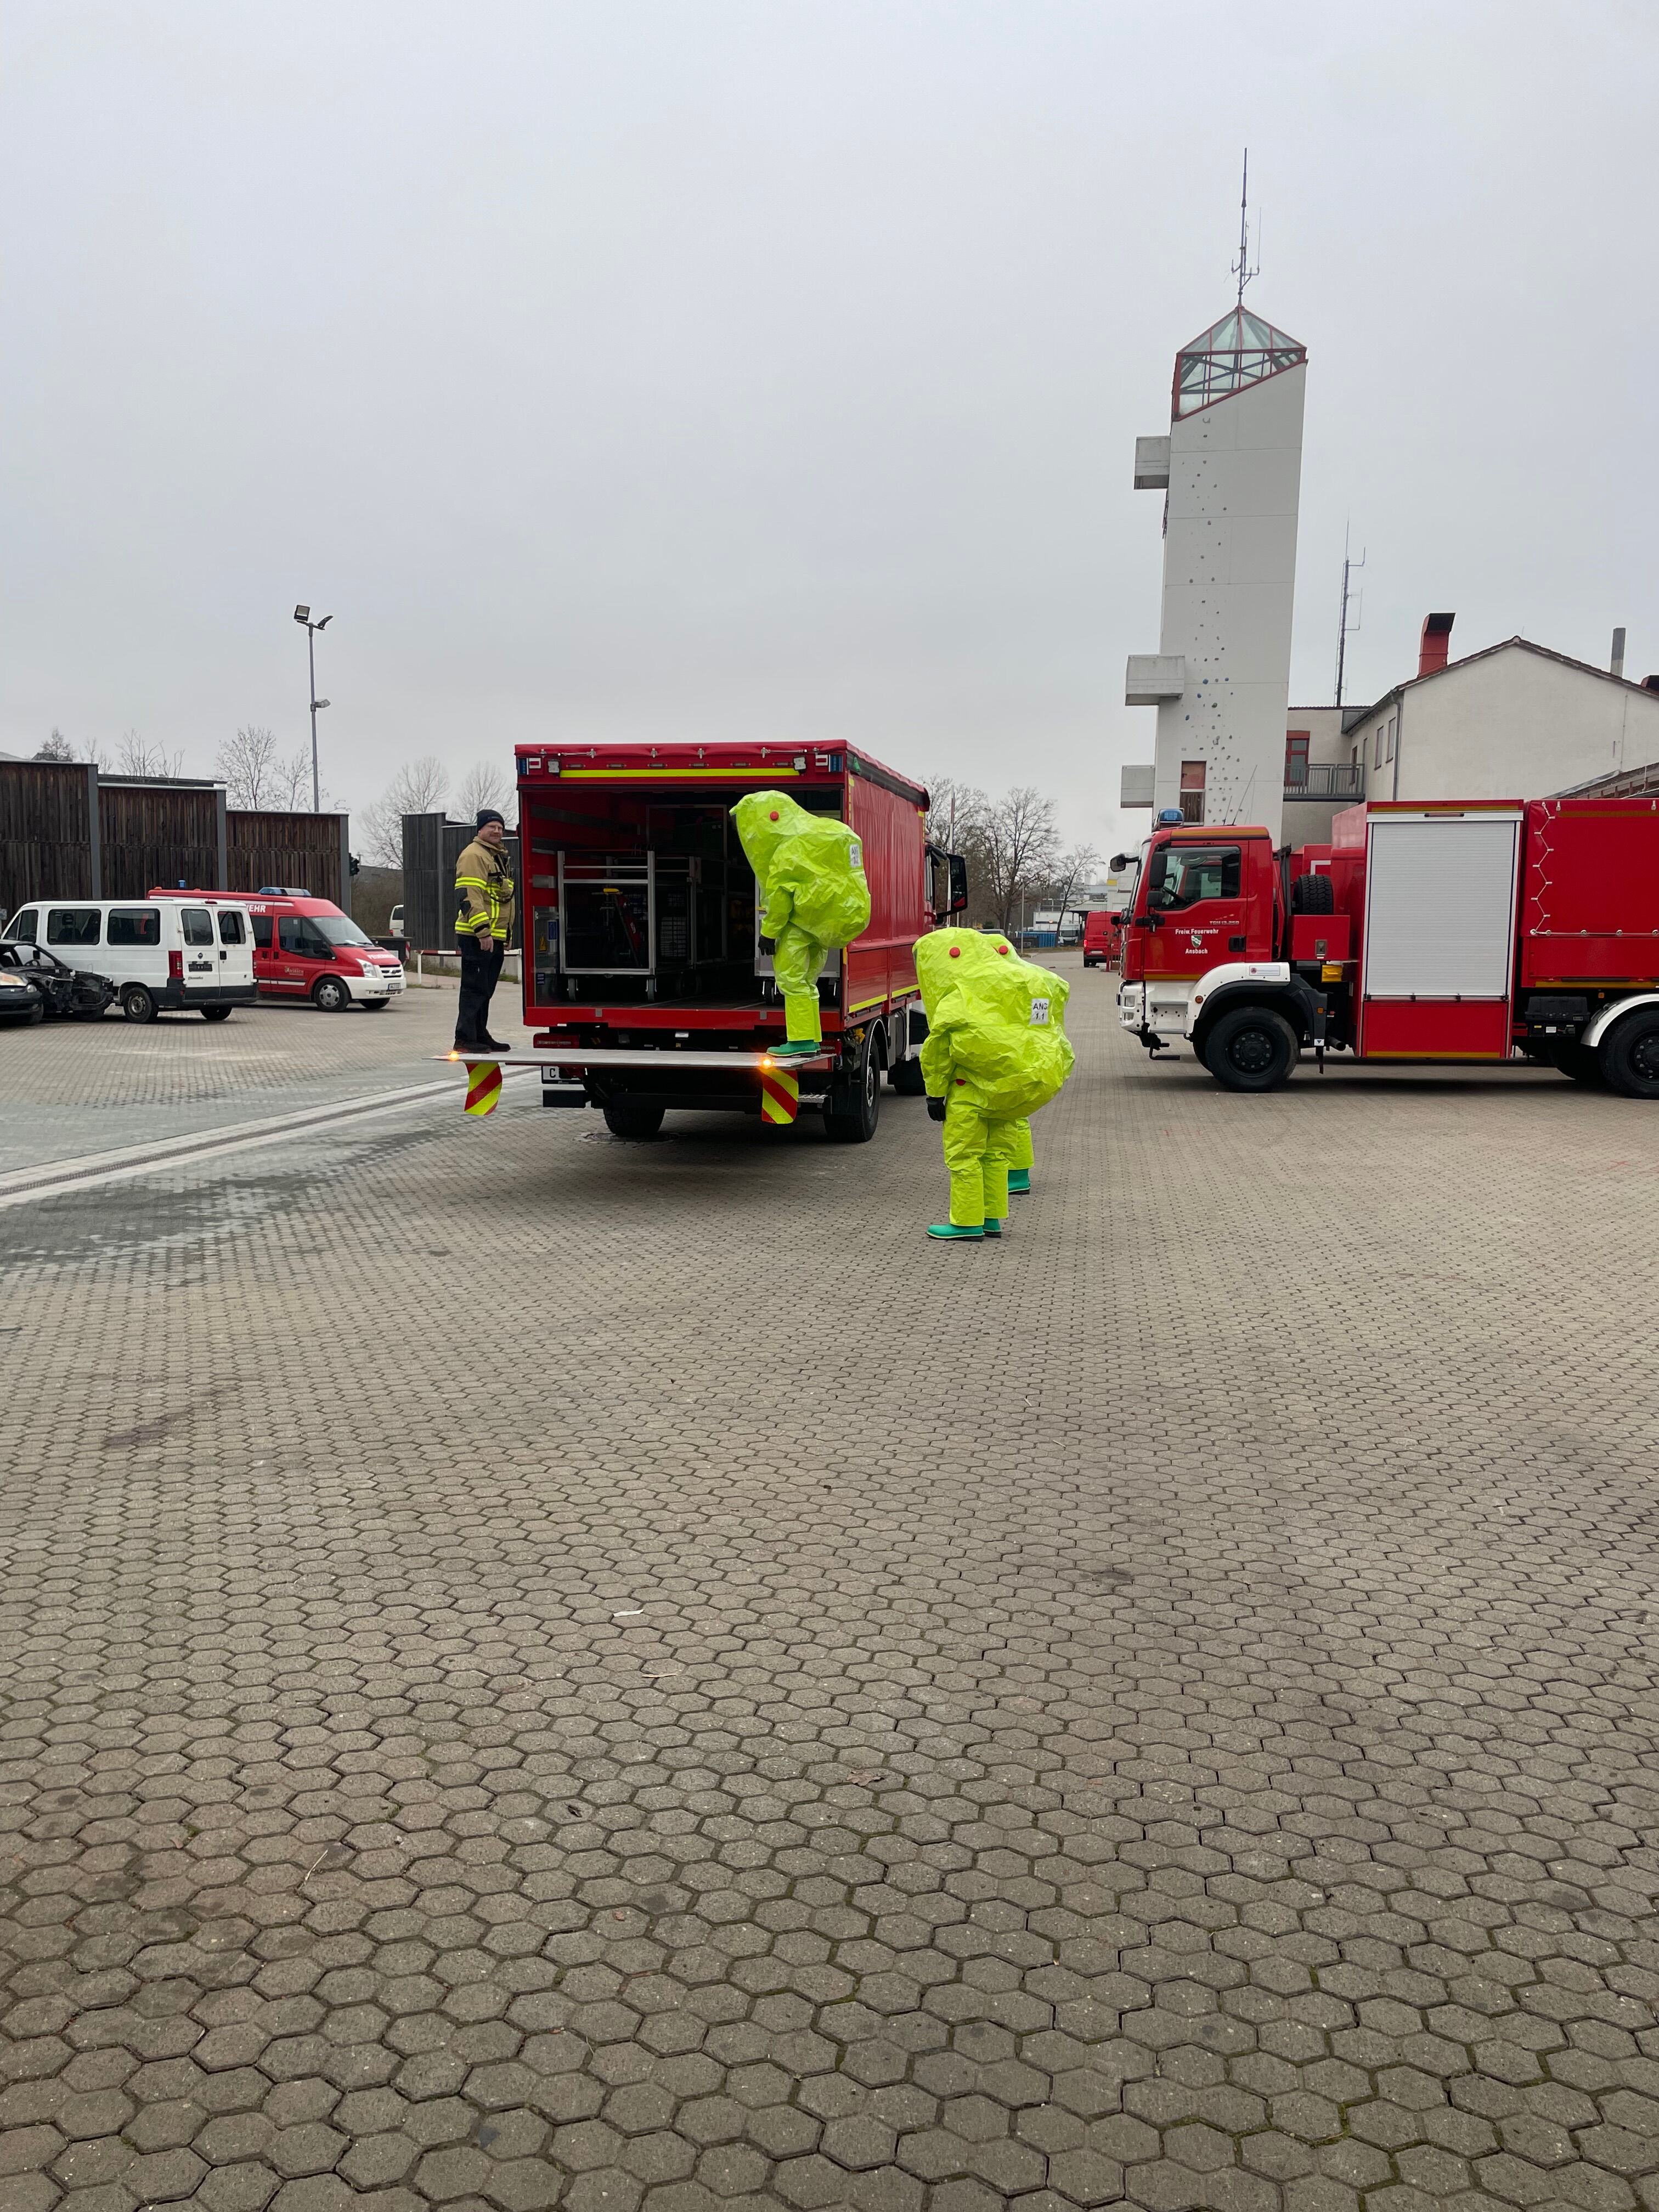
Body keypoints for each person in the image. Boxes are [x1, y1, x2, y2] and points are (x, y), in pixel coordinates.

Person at [914, 929, 1073, 1242]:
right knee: (996, 1155)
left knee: (964, 1156)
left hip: (968, 1090)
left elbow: (938, 1051)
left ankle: (966, 1223)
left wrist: (935, 1094)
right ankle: (991, 1219)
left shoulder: (959, 994)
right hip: (1010, 1091)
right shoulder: (1025, 983)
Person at [731, 790, 871, 1056]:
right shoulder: (833, 832)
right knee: (808, 983)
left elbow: (780, 899)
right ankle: (812, 1038)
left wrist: (768, 933)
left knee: (792, 982)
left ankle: (801, 1040)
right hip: (826, 924)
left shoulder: (788, 851)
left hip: (799, 925)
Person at [453, 808, 516, 1051]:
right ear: (480, 829)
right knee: (474, 989)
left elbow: (501, 900)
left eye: (500, 827)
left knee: (485, 990)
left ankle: (480, 1034)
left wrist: (505, 934)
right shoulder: (474, 855)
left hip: (493, 936)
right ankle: (465, 1039)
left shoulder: (495, 856)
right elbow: (470, 896)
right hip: (477, 936)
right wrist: (483, 932)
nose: (497, 831)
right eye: (492, 827)